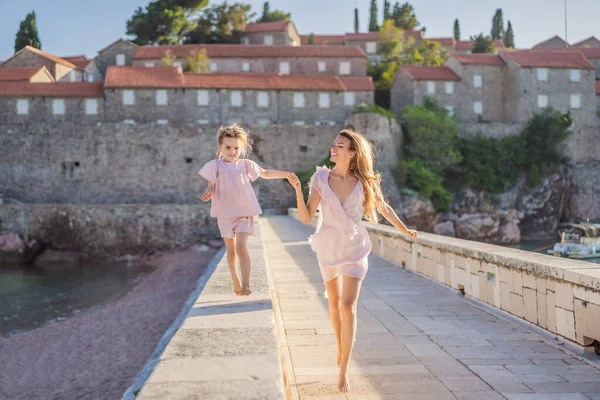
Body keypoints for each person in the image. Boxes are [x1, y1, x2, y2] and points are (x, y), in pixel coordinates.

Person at [288, 129, 417, 393]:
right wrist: (299, 193)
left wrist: (404, 229)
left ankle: (344, 369)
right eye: (333, 144)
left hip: (355, 247)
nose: (333, 148)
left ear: (352, 152)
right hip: (329, 247)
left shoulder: (365, 181)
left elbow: (383, 208)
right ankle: (340, 345)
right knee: (334, 305)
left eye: (340, 145)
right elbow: (305, 217)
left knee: (348, 307)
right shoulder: (320, 178)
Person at [199, 124, 295, 296]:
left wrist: (285, 174)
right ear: (220, 147)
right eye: (228, 147)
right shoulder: (215, 166)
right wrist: (208, 193)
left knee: (242, 247)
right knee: (231, 250)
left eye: (236, 148)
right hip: (224, 214)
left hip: (244, 213)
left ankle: (246, 284)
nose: (232, 151)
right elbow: (211, 187)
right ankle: (235, 280)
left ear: (241, 148)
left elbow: (264, 173)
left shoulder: (246, 165)